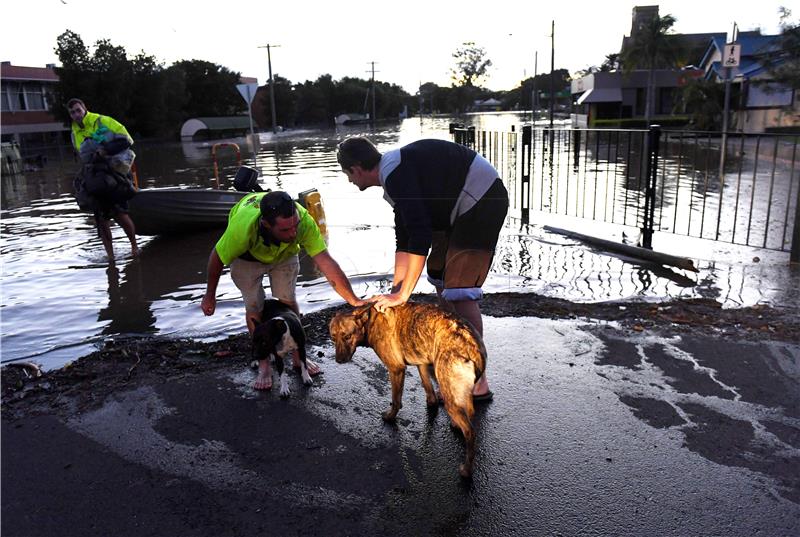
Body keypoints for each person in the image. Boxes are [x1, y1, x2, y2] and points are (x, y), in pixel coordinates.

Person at [336, 137, 508, 401]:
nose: (349, 180)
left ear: (356, 168)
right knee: (439, 276)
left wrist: (404, 295)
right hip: (452, 212)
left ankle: (477, 379)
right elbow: (404, 239)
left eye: (347, 174)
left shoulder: (395, 173)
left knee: (460, 289)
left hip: (481, 200)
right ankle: (454, 357)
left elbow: (420, 235)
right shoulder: (393, 176)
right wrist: (395, 292)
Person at [200, 190, 367, 390]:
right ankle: (264, 365)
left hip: (284, 254)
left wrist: (354, 300)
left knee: (288, 300)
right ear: (266, 225)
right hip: (247, 258)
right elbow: (216, 258)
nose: (294, 233)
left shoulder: (302, 221)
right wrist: (210, 296)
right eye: (286, 230)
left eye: (294, 226)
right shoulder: (242, 230)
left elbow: (326, 262)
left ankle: (298, 358)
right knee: (255, 306)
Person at [68, 98, 138, 262]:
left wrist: (105, 150)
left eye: (78, 110)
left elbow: (126, 140)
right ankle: (110, 257)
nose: (76, 114)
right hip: (96, 176)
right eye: (72, 112)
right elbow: (82, 155)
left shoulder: (102, 121)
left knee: (121, 214)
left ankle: (134, 247)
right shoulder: (74, 132)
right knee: (101, 219)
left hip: (115, 172)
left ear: (85, 108)